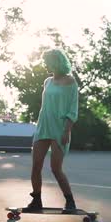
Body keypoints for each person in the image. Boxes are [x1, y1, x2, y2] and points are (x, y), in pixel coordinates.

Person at [25, 49, 79, 211]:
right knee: (36, 166)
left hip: (60, 128)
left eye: (47, 61)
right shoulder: (47, 81)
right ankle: (36, 200)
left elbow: (73, 109)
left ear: (56, 62)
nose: (45, 64)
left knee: (56, 168)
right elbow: (45, 106)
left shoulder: (70, 82)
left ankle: (70, 202)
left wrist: (67, 130)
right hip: (43, 126)